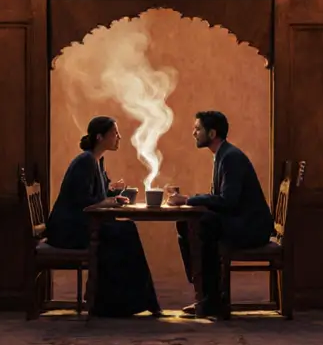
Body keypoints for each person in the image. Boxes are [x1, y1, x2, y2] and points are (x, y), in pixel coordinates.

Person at [44, 115, 163, 317]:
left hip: (84, 225)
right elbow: (83, 202)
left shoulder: (96, 161)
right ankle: (117, 304)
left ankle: (120, 302)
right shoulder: (85, 161)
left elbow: (95, 194)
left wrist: (112, 192)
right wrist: (107, 201)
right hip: (69, 230)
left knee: (125, 230)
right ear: (100, 137)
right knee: (124, 232)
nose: (119, 137)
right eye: (115, 133)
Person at [167, 110, 274, 318]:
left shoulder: (230, 158)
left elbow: (227, 201)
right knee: (186, 223)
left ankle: (210, 299)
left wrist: (188, 200)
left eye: (198, 129)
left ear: (212, 133)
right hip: (238, 222)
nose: (193, 133)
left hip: (251, 228)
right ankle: (205, 294)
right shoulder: (222, 156)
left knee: (201, 225)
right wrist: (190, 200)